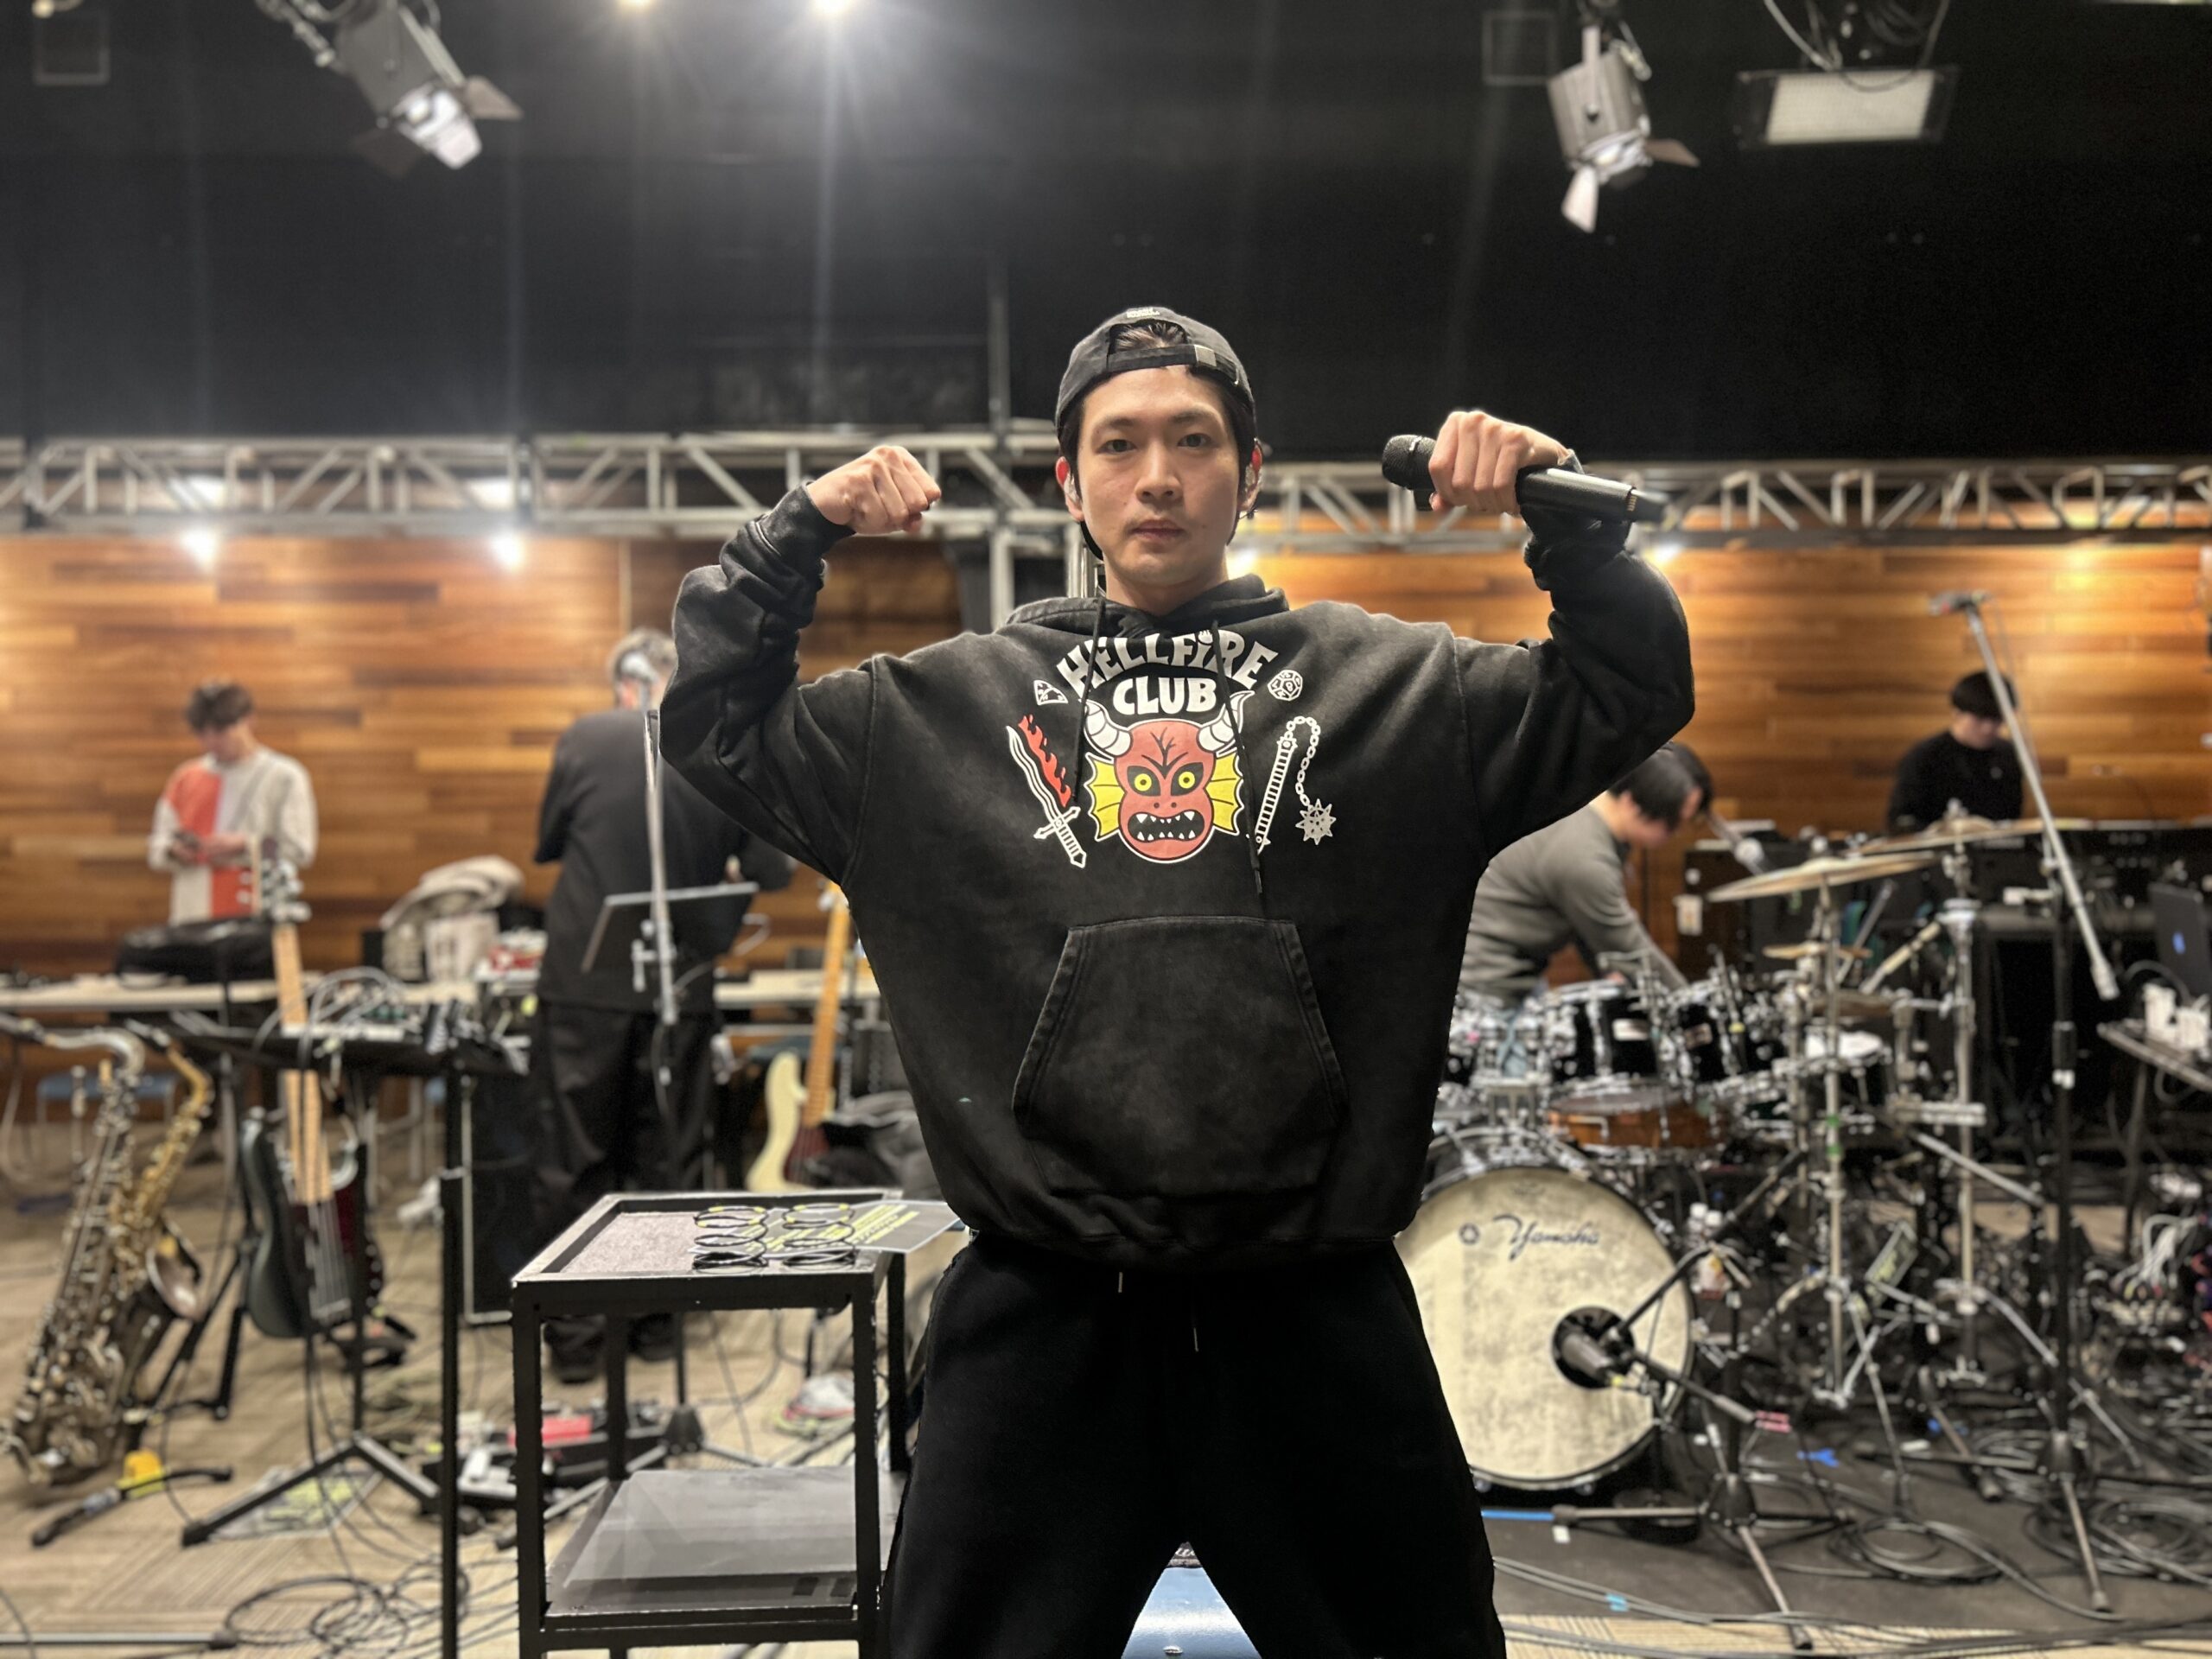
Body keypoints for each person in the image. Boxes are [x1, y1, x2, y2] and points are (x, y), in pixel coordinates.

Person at [664, 306, 1692, 1659]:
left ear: (1250, 472)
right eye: (1121, 444)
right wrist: (796, 532)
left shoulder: (1399, 693)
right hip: (1045, 1327)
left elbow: (1629, 690)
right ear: (1070, 483)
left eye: (1195, 441)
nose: (1158, 476)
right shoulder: (927, 720)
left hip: (1313, 1319)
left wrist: (1562, 514)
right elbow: (715, 725)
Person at [532, 628, 794, 1381]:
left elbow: (549, 842)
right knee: (666, 1162)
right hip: (680, 985)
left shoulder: (585, 738)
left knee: (575, 1159)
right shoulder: (718, 743)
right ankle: (656, 1325)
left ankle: (577, 1340)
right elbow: (772, 871)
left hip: (585, 985)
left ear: (625, 685)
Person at [1459, 741, 1712, 1005]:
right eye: (1673, 822)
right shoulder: (1585, 856)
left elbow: (1595, 935)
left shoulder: (1583, 816)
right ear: (1632, 802)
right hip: (1485, 985)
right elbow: (1628, 947)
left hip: (1504, 972)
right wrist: (1693, 1005)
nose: (1675, 834)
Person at [148, 680, 318, 921]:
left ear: (248, 720)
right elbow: (157, 846)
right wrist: (174, 851)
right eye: (202, 733)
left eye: (221, 731)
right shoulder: (186, 777)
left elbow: (300, 849)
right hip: (194, 914)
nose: (211, 742)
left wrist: (245, 844)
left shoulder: (284, 776)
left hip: (257, 915)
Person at [1885, 671, 2023, 831]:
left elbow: (2012, 816)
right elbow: (1901, 821)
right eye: (1979, 719)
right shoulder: (1924, 757)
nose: (1988, 728)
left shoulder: (2008, 754)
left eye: (1997, 720)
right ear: (1957, 713)